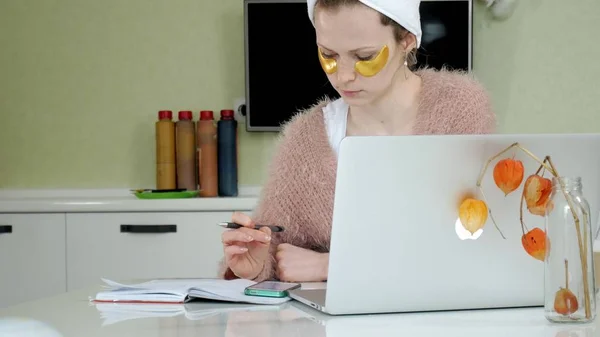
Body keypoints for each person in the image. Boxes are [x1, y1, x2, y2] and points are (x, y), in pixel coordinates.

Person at [219, 0, 496, 282]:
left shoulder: (459, 109)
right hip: (334, 324)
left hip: (440, 320)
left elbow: (471, 242)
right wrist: (254, 266)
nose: (343, 76)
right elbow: (277, 254)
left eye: (365, 57)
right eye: (328, 55)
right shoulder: (306, 140)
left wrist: (332, 266)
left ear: (407, 41)